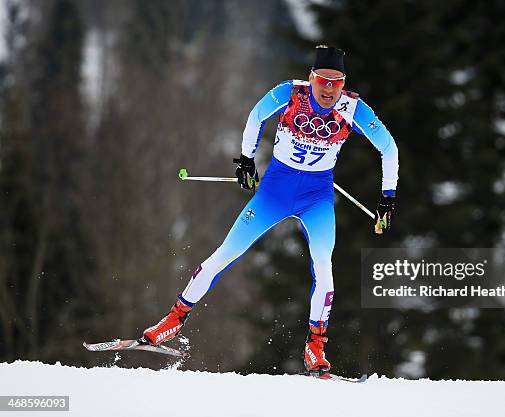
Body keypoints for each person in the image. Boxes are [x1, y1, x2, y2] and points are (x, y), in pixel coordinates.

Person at [143, 45, 399, 374]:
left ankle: (315, 346)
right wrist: (247, 160)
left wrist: (387, 197)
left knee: (324, 266)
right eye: (322, 80)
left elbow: (388, 148)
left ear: (343, 82)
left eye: (336, 82)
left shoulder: (354, 108)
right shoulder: (289, 93)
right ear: (311, 78)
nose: (328, 88)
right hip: (275, 193)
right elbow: (255, 117)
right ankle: (173, 321)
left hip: (316, 198)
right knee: (225, 253)